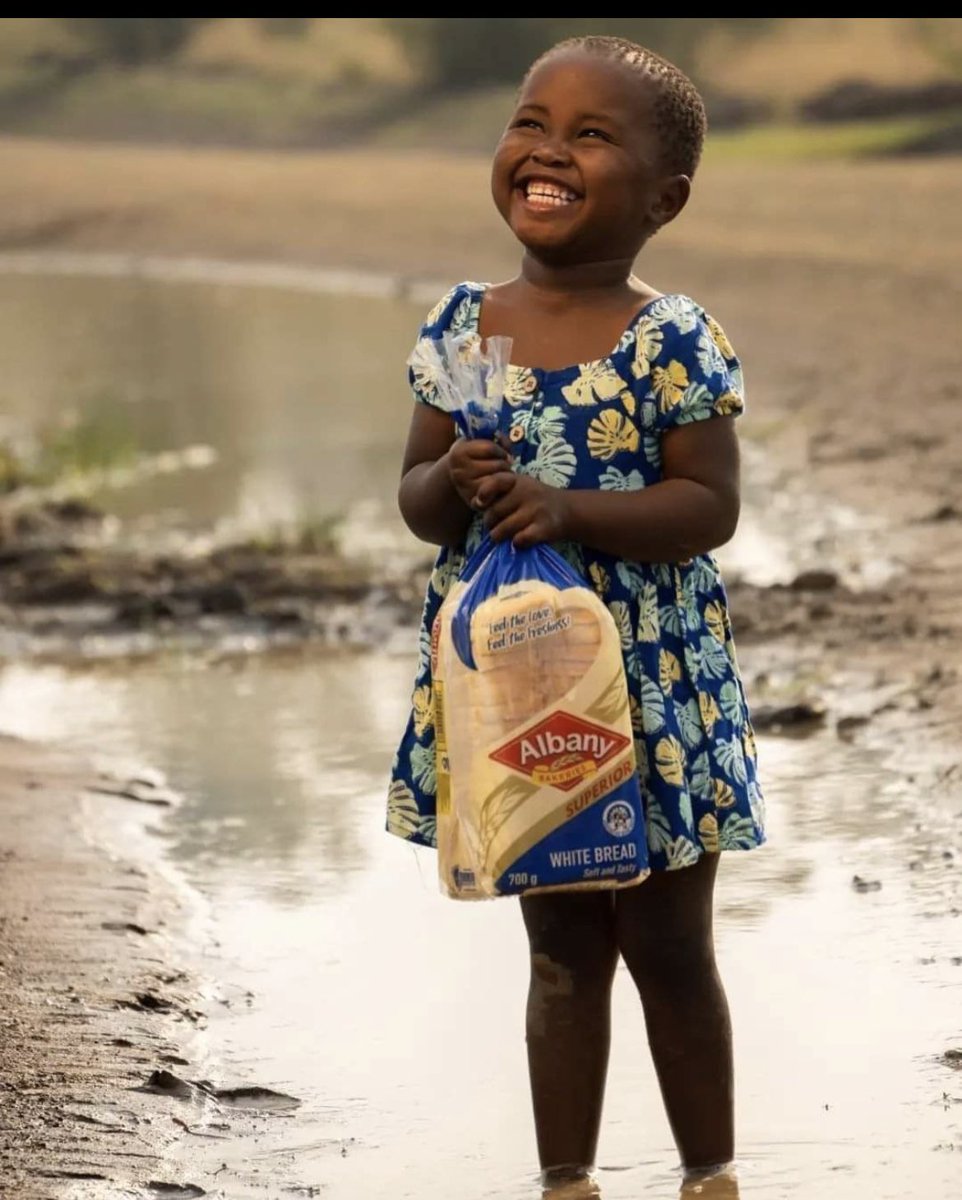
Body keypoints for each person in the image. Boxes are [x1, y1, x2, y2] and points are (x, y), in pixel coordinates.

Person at [386, 33, 764, 1200]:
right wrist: (454, 485)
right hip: (514, 694)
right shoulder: (465, 324)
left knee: (667, 949)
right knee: (557, 956)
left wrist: (570, 508)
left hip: (647, 690)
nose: (547, 151)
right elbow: (413, 501)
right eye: (529, 122)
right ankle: (566, 1182)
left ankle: (708, 1177)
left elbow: (706, 507)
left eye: (590, 136)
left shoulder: (670, 336)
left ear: (663, 197)